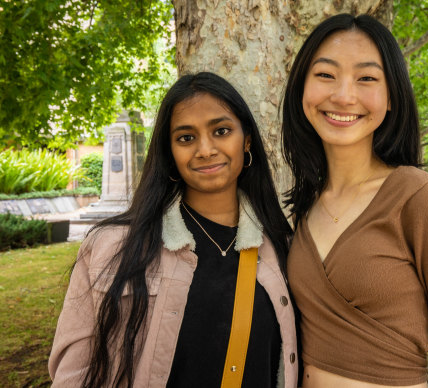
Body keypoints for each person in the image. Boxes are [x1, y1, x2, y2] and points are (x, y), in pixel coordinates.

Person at [281, 14, 428, 388]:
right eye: (325, 75)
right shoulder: (305, 207)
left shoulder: (420, 197)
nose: (343, 95)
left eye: (366, 78)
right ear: (302, 88)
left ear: (392, 97)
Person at [49, 73, 298, 388]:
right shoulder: (112, 247)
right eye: (186, 138)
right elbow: (74, 375)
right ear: (170, 151)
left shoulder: (283, 247)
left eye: (221, 131)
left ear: (246, 139)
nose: (205, 150)